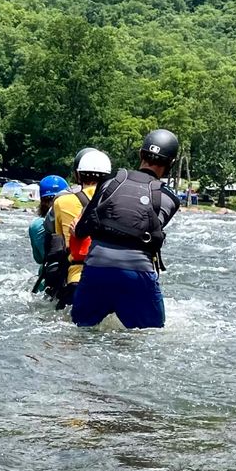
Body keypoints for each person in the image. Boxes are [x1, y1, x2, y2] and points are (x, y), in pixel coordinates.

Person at [71, 129, 181, 329]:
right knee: (152, 334)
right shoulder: (170, 199)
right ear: (171, 164)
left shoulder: (108, 184)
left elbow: (81, 231)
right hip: (137, 274)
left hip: (96, 270)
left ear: (141, 154)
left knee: (82, 329)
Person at [45, 148, 112, 309]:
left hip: (77, 277)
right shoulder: (116, 201)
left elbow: (57, 240)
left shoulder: (62, 202)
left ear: (78, 175)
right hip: (112, 276)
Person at [29, 174, 68, 296]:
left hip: (48, 278)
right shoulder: (75, 220)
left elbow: (39, 258)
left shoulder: (36, 225)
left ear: (42, 201)